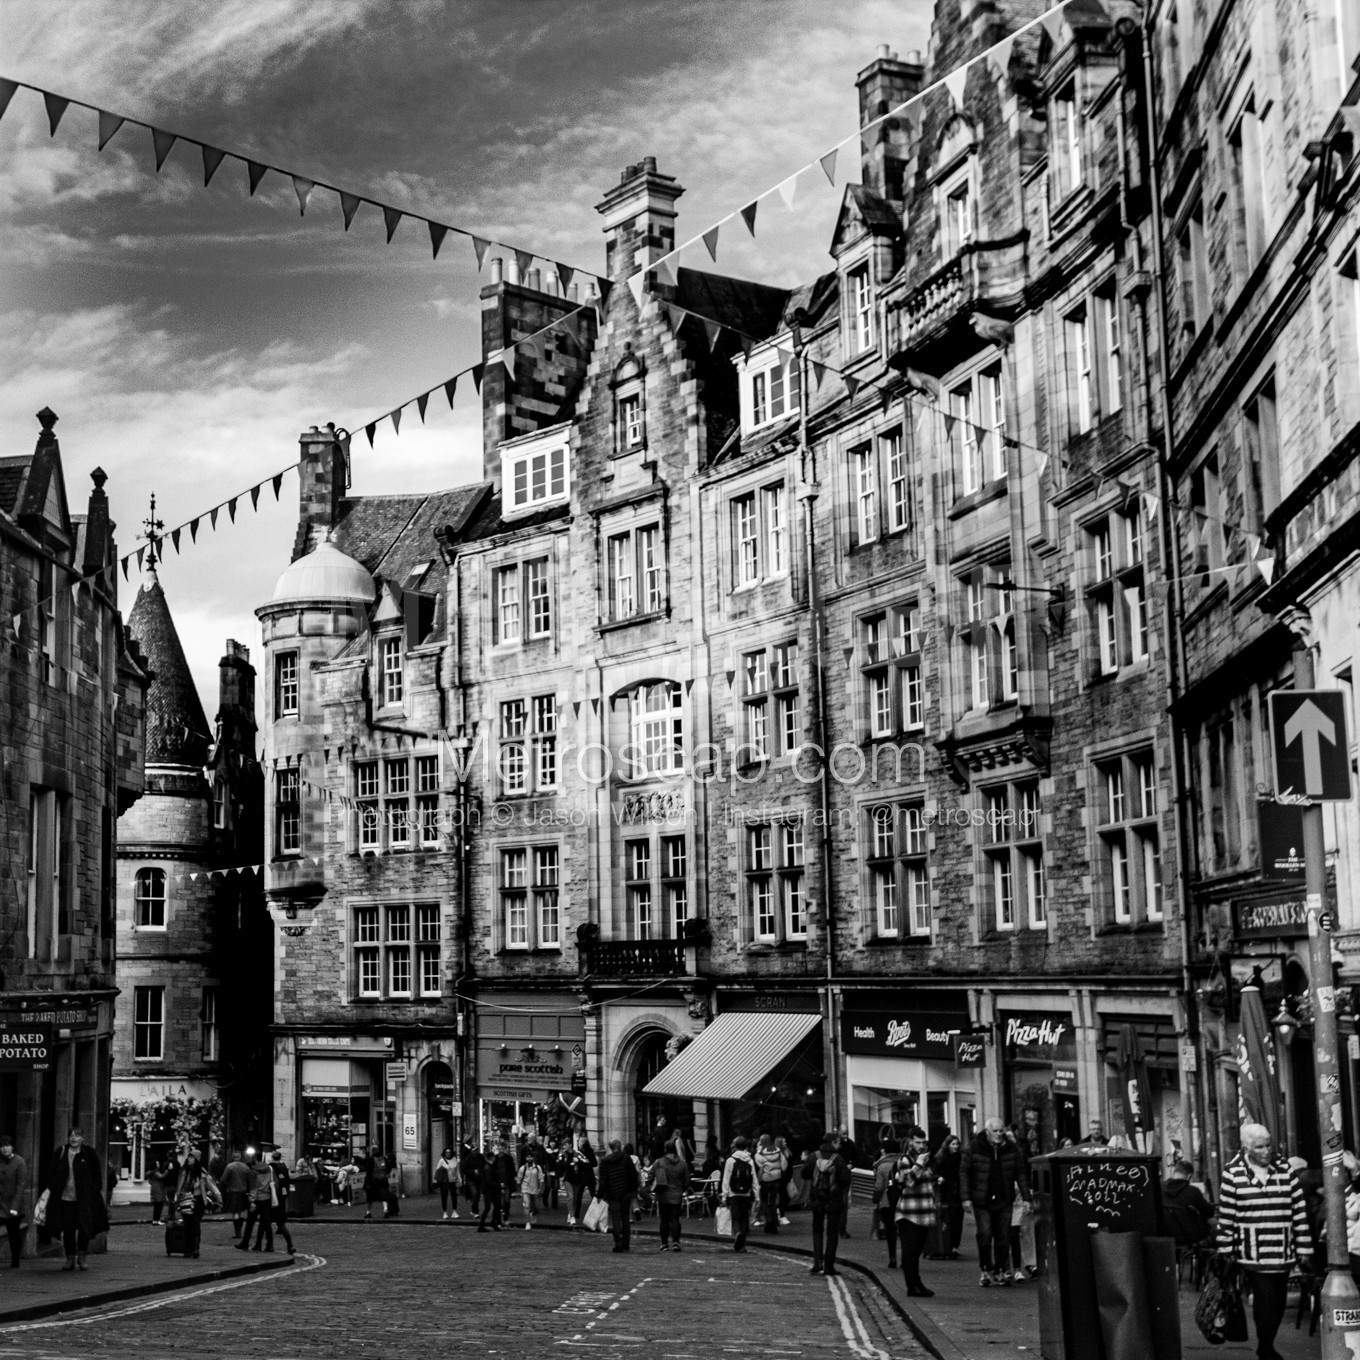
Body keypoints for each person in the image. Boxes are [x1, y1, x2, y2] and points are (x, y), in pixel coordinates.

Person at [1216, 1122, 1312, 1360]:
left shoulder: (1285, 1169)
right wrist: (1225, 1249)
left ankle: (1266, 1342)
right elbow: (1227, 1213)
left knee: (1278, 1301)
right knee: (1265, 1297)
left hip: (1282, 1247)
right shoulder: (1233, 1171)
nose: (1266, 1151)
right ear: (1247, 1148)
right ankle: (1266, 1346)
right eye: (1259, 1147)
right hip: (1252, 1250)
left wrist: (1304, 1247)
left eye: (1268, 1145)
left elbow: (1299, 1209)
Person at [960, 1117, 1031, 1287]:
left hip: (1004, 1199)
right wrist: (966, 1198)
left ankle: (999, 1270)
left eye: (1001, 1131)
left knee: (1003, 1237)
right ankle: (985, 1269)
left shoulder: (1011, 1149)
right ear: (987, 1132)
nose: (999, 1134)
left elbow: (1021, 1174)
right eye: (995, 1131)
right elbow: (964, 1173)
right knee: (985, 1235)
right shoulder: (974, 1148)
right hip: (982, 1199)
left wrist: (1027, 1197)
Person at [47, 1127, 108, 1272]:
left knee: (84, 1228)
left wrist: (94, 1189)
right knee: (68, 1229)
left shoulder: (89, 1153)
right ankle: (70, 1258)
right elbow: (51, 1172)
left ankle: (82, 1255)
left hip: (84, 1199)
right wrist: (54, 1187)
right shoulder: (61, 1152)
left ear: (82, 1138)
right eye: (71, 1135)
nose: (73, 1138)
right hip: (65, 1199)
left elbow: (97, 1174)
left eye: (77, 1135)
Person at [893, 1127, 937, 1297]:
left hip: (923, 1212)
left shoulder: (925, 1159)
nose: (921, 1145)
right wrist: (918, 1164)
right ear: (910, 1141)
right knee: (909, 1251)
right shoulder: (905, 1160)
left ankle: (917, 1284)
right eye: (917, 1142)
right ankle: (912, 1287)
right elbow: (907, 1182)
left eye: (923, 1142)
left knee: (917, 1251)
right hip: (909, 1213)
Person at [803, 1136, 851, 1275]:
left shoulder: (813, 1156)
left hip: (816, 1200)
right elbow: (845, 1179)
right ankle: (829, 1267)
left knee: (817, 1231)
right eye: (838, 1143)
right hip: (833, 1201)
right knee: (832, 1233)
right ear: (833, 1143)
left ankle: (817, 1263)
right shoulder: (839, 1159)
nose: (839, 1146)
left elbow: (804, 1175)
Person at [168, 1150, 220, 1259]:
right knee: (187, 1225)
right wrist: (177, 1198)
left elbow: (212, 1187)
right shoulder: (184, 1172)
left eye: (192, 1158)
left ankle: (195, 1247)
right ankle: (187, 1248)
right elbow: (179, 1186)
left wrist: (219, 1200)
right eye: (189, 1157)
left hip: (198, 1201)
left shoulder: (202, 1173)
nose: (189, 1159)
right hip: (185, 1200)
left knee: (195, 1223)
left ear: (196, 1160)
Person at [597, 1138, 640, 1253]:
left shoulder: (605, 1161)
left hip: (613, 1193)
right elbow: (633, 1176)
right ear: (619, 1146)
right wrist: (632, 1190)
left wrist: (599, 1195)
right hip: (625, 1192)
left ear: (610, 1148)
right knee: (625, 1217)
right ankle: (626, 1242)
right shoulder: (627, 1159)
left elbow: (603, 1181)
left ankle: (618, 1243)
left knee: (615, 1218)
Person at [1163, 1158, 1214, 1249]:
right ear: (1189, 1176)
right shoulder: (1192, 1191)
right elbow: (1208, 1213)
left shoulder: (1159, 1190)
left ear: (1174, 1173)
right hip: (1193, 1240)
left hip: (1168, 1239)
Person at [930, 1134, 964, 1259]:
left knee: (958, 1220)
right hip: (946, 1191)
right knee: (949, 1219)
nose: (955, 1146)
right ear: (947, 1145)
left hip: (958, 1191)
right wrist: (939, 1178)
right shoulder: (941, 1158)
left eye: (957, 1144)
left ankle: (955, 1246)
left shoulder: (961, 1158)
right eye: (953, 1144)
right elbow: (934, 1173)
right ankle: (948, 1245)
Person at [652, 1138, 689, 1252]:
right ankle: (676, 1242)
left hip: (663, 1194)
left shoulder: (659, 1162)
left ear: (665, 1149)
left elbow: (649, 1175)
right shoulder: (683, 1164)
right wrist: (681, 1189)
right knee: (675, 1219)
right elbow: (687, 1181)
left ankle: (664, 1244)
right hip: (677, 1195)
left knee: (664, 1220)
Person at [871, 1139, 901, 1266]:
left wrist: (875, 1198)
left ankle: (892, 1258)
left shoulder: (882, 1166)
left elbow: (879, 1187)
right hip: (902, 1201)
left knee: (890, 1230)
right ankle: (905, 1259)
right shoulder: (903, 1163)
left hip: (887, 1202)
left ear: (885, 1150)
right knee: (904, 1231)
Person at [0, 1133, 28, 1268]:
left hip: (12, 1203)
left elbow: (21, 1185)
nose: (4, 1149)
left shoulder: (19, 1162)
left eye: (7, 1146)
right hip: (1, 1203)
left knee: (13, 1234)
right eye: (2, 1146)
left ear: (12, 1147)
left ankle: (15, 1259)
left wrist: (15, 1207)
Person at [754, 1133, 788, 1234]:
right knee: (773, 1201)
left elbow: (758, 1167)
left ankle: (768, 1220)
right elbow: (784, 1164)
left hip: (765, 1179)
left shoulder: (759, 1154)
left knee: (764, 1201)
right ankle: (774, 1222)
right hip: (776, 1179)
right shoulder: (778, 1152)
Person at [266, 1150, 295, 1254]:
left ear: (273, 1158)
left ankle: (269, 1245)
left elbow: (270, 1182)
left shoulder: (270, 1167)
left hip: (273, 1198)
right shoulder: (284, 1167)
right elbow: (287, 1181)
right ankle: (290, 1245)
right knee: (281, 1224)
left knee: (267, 1223)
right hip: (282, 1197)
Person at [219, 1148, 251, 1238]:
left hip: (233, 1192)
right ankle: (240, 1230)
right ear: (240, 1157)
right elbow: (249, 1180)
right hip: (243, 1192)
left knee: (235, 1212)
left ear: (233, 1157)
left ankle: (237, 1232)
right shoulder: (246, 1167)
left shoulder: (230, 1167)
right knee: (241, 1212)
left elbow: (223, 1180)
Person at [567, 1137, 596, 1227]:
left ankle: (576, 1214)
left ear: (582, 1143)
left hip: (583, 1175)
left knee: (578, 1195)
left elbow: (582, 1164)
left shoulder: (580, 1152)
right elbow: (594, 1163)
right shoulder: (590, 1151)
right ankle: (596, 1211)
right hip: (590, 1175)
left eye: (579, 1141)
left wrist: (578, 1163)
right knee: (593, 1195)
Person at [477, 1143, 505, 1232]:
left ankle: (493, 1223)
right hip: (489, 1191)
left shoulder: (489, 1166)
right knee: (488, 1208)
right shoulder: (488, 1168)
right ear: (492, 1157)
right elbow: (488, 1181)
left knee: (496, 1207)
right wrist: (499, 1185)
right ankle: (482, 1226)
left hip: (491, 1190)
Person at [517, 1149, 546, 1229]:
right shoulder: (523, 1168)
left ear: (533, 1158)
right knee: (527, 1206)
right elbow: (519, 1180)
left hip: (535, 1189)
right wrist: (520, 1191)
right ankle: (527, 1222)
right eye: (528, 1157)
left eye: (530, 1157)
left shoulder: (537, 1168)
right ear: (525, 1158)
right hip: (525, 1189)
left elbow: (541, 1179)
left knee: (536, 1207)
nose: (529, 1159)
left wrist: (541, 1189)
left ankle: (533, 1214)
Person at [363, 1145, 388, 1221]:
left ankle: (368, 1212)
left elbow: (368, 1172)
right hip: (383, 1180)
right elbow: (389, 1168)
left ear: (372, 1151)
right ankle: (385, 1209)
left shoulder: (370, 1159)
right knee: (384, 1196)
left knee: (370, 1198)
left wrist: (366, 1184)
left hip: (373, 1182)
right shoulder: (383, 1158)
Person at [435, 1147, 460, 1220]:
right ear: (444, 1153)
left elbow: (457, 1170)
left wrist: (459, 1179)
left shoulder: (455, 1160)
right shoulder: (442, 1161)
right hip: (444, 1182)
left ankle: (454, 1211)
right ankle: (445, 1212)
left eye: (449, 1152)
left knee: (454, 1197)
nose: (448, 1154)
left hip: (452, 1181)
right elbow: (437, 1171)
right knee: (444, 1197)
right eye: (446, 1152)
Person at [148, 1155, 169, 1223]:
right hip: (158, 1189)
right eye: (157, 1164)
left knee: (156, 1205)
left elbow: (150, 1181)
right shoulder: (156, 1171)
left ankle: (155, 1219)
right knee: (159, 1205)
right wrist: (168, 1170)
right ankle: (157, 1219)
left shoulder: (152, 1172)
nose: (159, 1165)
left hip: (154, 1188)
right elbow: (161, 1177)